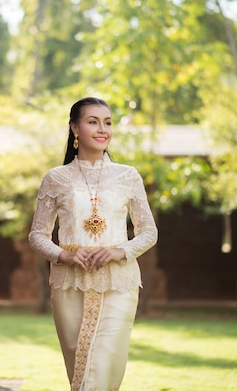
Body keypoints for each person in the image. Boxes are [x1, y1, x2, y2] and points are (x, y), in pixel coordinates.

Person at [28, 97, 158, 390]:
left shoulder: (128, 176)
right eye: (93, 122)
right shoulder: (56, 179)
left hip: (118, 284)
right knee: (80, 369)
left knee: (101, 367)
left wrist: (118, 251)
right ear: (75, 129)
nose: (103, 129)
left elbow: (149, 232)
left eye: (108, 122)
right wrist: (64, 255)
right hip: (68, 284)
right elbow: (37, 236)